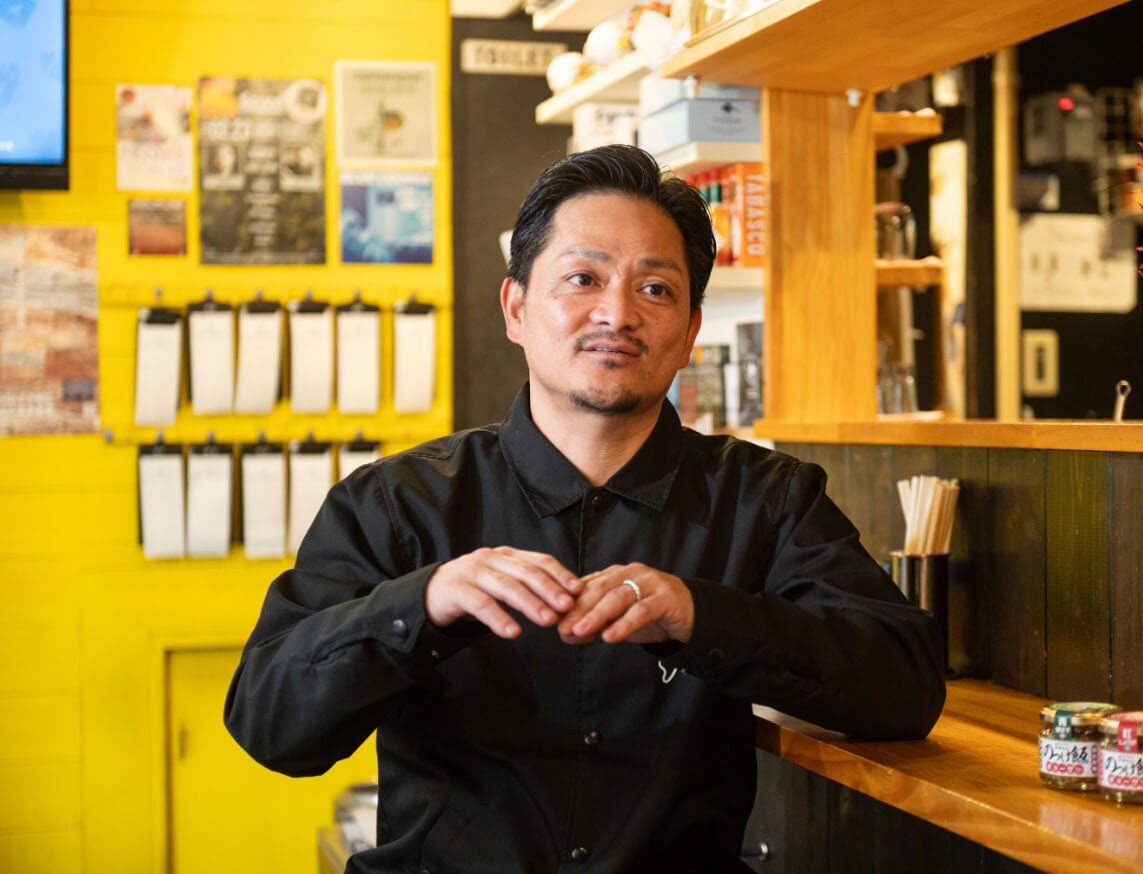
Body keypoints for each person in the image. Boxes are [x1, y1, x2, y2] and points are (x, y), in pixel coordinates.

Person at [225, 144, 946, 874]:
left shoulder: (767, 499)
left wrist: (701, 616)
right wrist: (424, 603)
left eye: (655, 289)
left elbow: (906, 686)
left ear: (690, 332)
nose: (617, 313)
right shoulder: (399, 503)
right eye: (583, 278)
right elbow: (269, 724)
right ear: (516, 308)